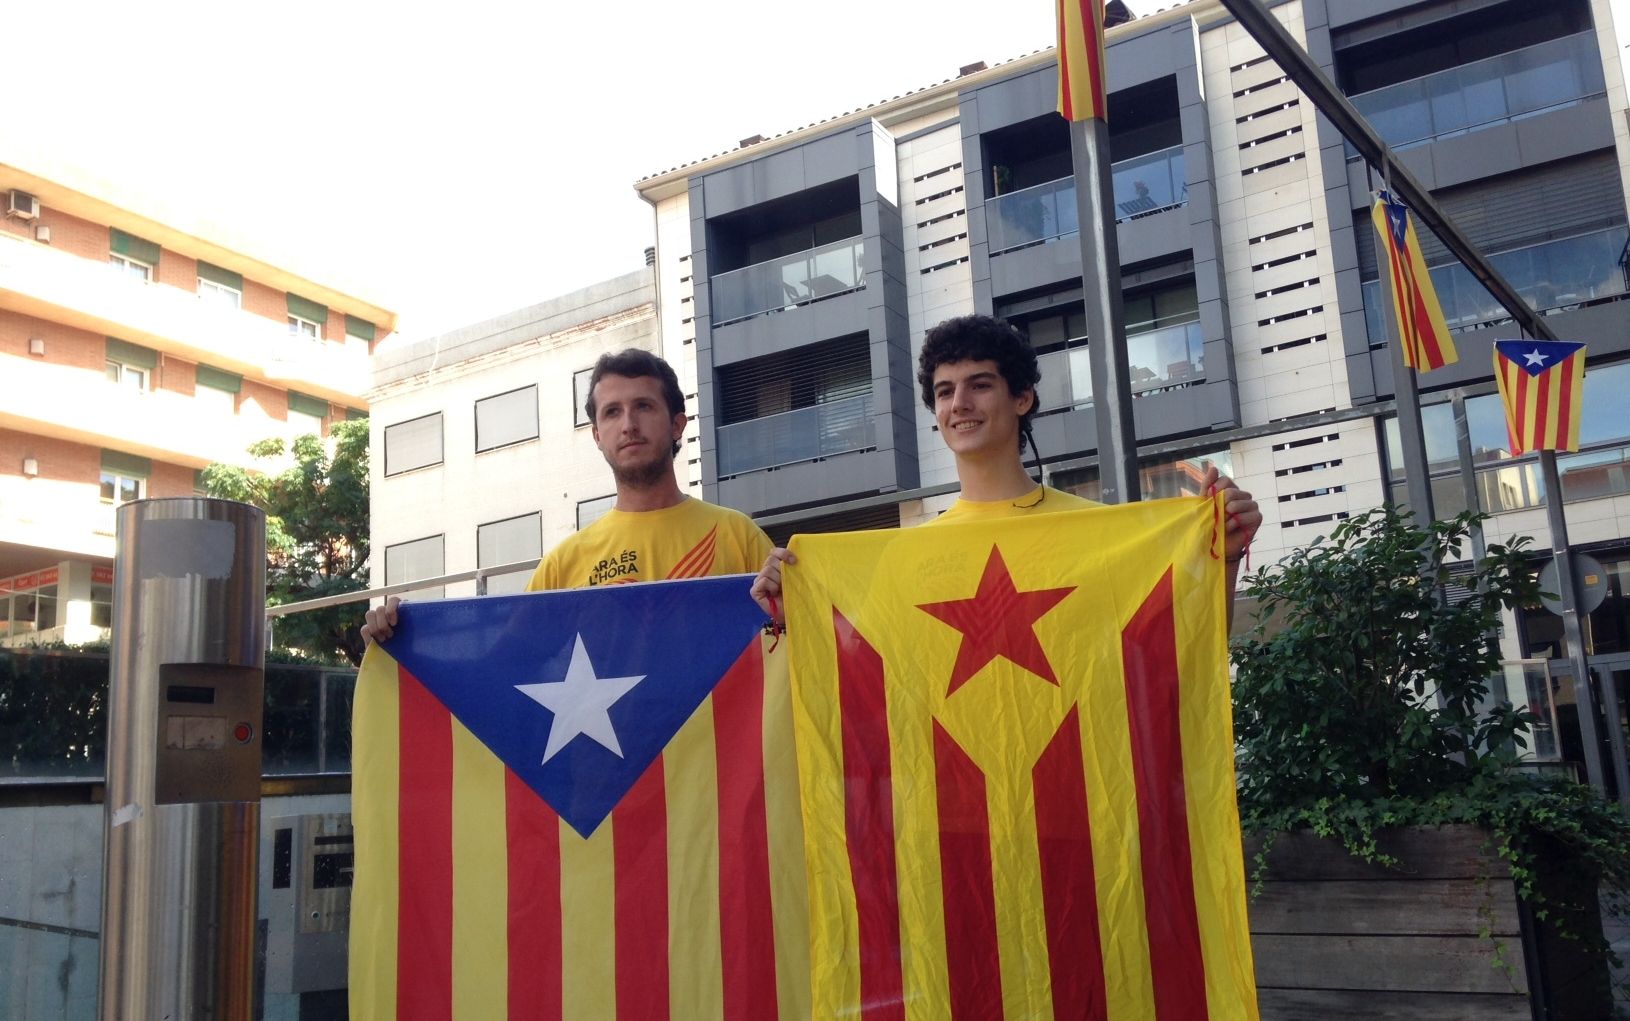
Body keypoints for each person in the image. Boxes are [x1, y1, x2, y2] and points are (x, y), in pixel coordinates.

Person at [751, 313, 1261, 622]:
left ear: (1022, 398)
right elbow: (867, 676)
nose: (960, 404)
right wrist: (797, 607)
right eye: (945, 392)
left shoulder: (1093, 533)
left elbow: (1176, 649)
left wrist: (1227, 555)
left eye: (980, 384)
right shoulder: (904, 557)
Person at [362, 348, 772, 643]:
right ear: (597, 435)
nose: (628, 424)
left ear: (677, 425)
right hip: (605, 764)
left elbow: (800, 649)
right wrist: (402, 642)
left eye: (644, 406)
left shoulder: (736, 535)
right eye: (611, 412)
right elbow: (505, 668)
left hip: (717, 763)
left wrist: (796, 606)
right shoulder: (563, 565)